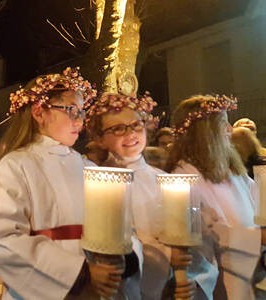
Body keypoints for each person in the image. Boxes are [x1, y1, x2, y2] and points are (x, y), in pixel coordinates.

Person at [0, 68, 141, 299]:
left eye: (81, 112)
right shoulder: (15, 166)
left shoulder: (90, 169)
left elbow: (124, 228)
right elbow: (4, 240)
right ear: (39, 112)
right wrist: (81, 273)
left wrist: (122, 263)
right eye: (71, 110)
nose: (79, 120)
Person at [85, 92, 218, 299]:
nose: (130, 134)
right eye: (118, 128)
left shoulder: (167, 181)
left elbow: (195, 237)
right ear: (100, 139)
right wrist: (166, 256)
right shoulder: (96, 185)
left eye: (136, 125)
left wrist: (192, 278)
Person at [167, 94, 264, 299]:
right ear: (204, 132)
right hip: (221, 277)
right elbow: (207, 233)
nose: (230, 130)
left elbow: (257, 199)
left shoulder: (231, 170)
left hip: (249, 269)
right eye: (223, 124)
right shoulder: (184, 176)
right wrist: (257, 237)